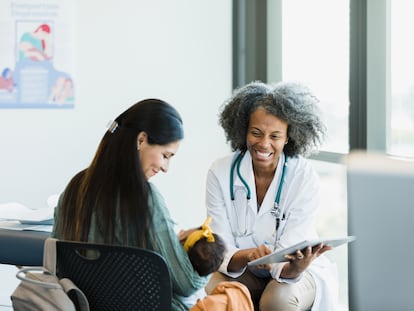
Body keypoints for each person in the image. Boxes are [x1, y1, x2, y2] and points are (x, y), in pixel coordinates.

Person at [52, 98, 208, 311]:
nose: (166, 168)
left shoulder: (74, 188)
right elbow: (185, 283)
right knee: (234, 294)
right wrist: (206, 258)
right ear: (141, 140)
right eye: (165, 155)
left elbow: (59, 268)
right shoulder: (145, 197)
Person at [204, 81, 339, 311]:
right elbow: (220, 245)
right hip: (244, 269)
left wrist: (295, 268)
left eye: (275, 136)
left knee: (276, 301)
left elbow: (289, 254)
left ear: (288, 137)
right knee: (216, 290)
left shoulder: (303, 176)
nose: (264, 144)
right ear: (243, 129)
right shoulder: (220, 172)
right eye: (256, 133)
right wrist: (249, 255)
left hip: (295, 271)